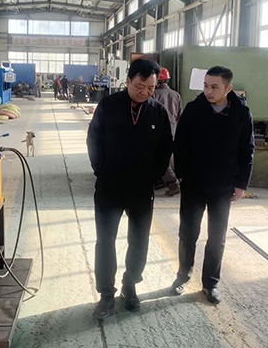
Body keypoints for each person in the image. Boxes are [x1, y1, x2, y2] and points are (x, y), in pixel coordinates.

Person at [87, 59, 173, 320]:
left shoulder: (158, 112)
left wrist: (153, 177)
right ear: (128, 81)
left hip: (141, 190)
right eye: (139, 86)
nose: (145, 92)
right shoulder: (108, 106)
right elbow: (93, 140)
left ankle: (130, 284)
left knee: (139, 239)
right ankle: (106, 294)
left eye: (151, 88)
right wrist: (102, 170)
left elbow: (165, 148)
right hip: (109, 188)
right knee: (105, 240)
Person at [171, 66, 254, 304]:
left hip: (223, 186)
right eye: (206, 86)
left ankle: (211, 283)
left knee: (217, 237)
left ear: (228, 88)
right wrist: (182, 175)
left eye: (214, 87)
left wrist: (241, 184)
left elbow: (247, 149)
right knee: (188, 233)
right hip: (194, 183)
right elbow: (180, 143)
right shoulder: (194, 109)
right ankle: (183, 276)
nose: (208, 91)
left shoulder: (241, 112)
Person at [152, 67, 182, 196]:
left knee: (160, 158)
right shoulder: (176, 95)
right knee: (167, 157)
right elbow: (180, 115)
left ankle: (173, 183)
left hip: (158, 131)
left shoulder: (154, 95)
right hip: (173, 130)